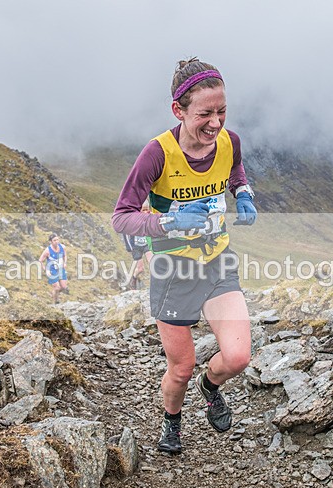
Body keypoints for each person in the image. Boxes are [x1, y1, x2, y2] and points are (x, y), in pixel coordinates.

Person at [112, 58, 258, 454]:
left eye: (222, 111)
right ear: (179, 110)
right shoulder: (157, 154)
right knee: (180, 368)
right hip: (173, 271)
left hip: (217, 262)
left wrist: (242, 194)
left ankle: (210, 387)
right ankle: (171, 422)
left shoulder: (230, 142)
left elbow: (235, 170)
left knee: (239, 356)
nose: (216, 123)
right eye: (205, 114)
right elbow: (122, 218)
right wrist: (169, 223)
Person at [121, 202, 154, 290]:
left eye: (147, 209)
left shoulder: (150, 216)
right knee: (140, 269)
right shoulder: (132, 220)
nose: (146, 212)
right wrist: (130, 248)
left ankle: (154, 285)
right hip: (136, 247)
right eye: (143, 210)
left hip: (146, 243)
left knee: (152, 263)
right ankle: (134, 278)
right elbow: (126, 233)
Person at [38, 233, 68, 304]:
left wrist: (65, 263)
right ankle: (55, 302)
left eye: (57, 240)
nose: (57, 241)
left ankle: (54, 293)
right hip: (52, 270)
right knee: (57, 287)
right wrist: (44, 268)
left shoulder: (62, 247)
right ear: (51, 242)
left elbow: (65, 255)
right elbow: (40, 260)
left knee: (63, 287)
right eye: (54, 240)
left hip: (60, 269)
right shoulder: (47, 251)